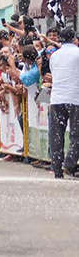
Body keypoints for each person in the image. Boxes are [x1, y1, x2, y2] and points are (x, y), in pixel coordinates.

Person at [49, 28, 79, 178]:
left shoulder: (54, 55)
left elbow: (54, 73)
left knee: (56, 134)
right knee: (76, 134)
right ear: (74, 39)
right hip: (74, 98)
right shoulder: (77, 53)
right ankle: (69, 163)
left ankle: (57, 168)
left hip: (57, 98)